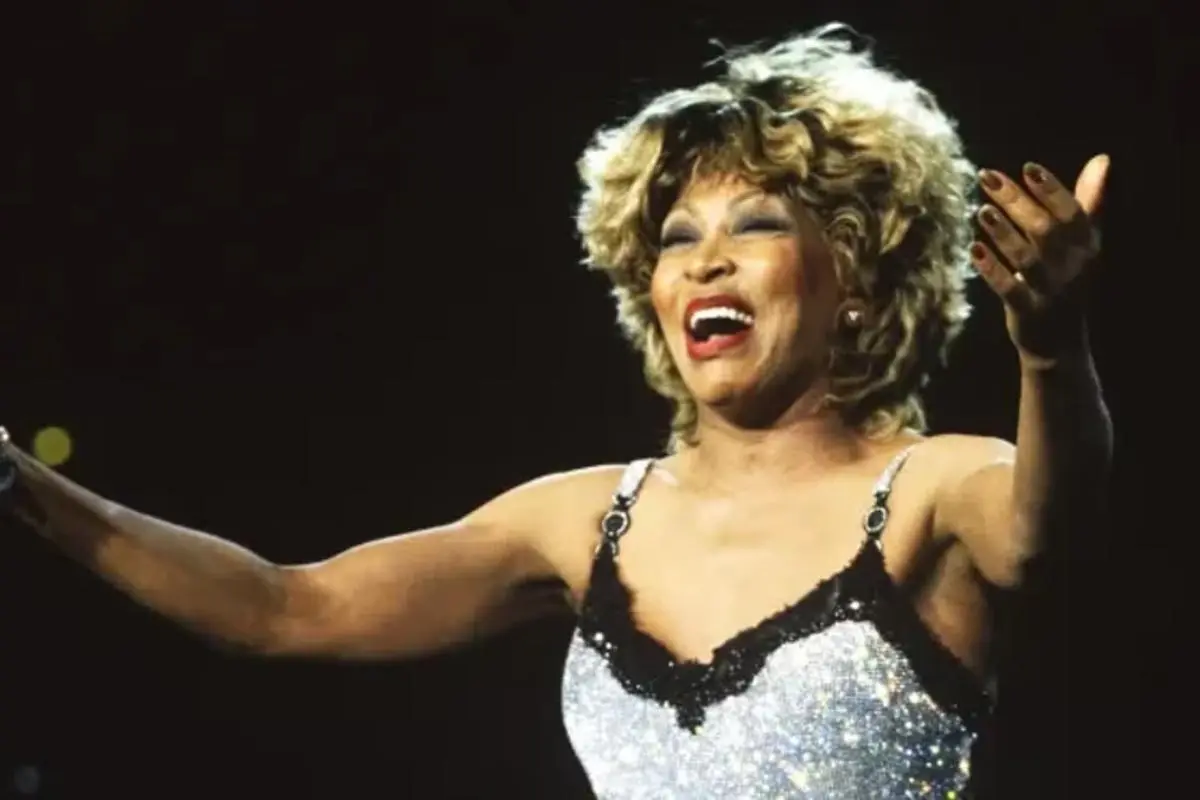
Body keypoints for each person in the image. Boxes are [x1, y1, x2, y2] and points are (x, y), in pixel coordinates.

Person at [3, 23, 1111, 799]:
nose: (707, 264)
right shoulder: (585, 521)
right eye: (677, 240)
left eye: (757, 226)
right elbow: (285, 606)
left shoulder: (931, 487)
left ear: (857, 274)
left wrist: (1051, 350)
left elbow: (1047, 529)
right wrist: (17, 479)